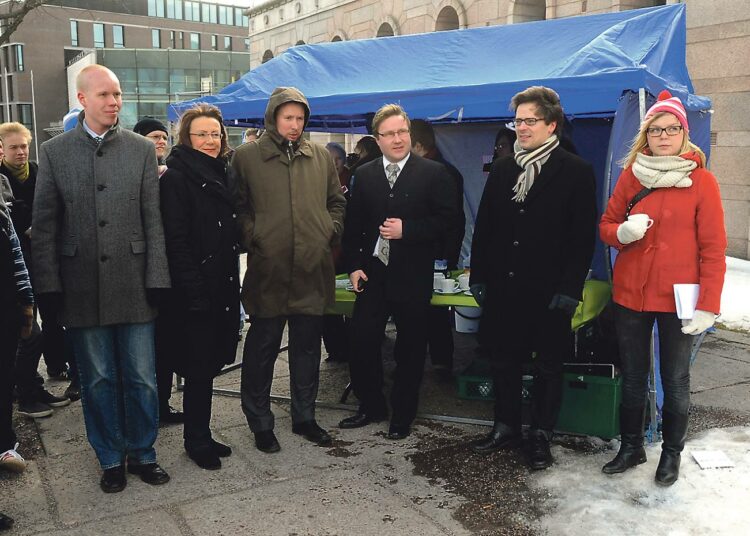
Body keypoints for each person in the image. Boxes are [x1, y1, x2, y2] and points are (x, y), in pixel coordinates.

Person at [31, 64, 172, 493]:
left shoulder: (141, 150)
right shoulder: (55, 152)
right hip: (80, 287)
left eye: (118, 94)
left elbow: (153, 220)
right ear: (82, 100)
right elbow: (45, 224)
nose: (114, 102)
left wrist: (157, 277)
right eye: (105, 95)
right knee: (97, 380)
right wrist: (49, 288)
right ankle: (110, 457)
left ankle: (143, 452)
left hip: (134, 283)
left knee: (142, 377)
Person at [599, 90, 726, 486]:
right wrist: (621, 232)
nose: (664, 135)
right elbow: (606, 225)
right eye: (656, 130)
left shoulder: (703, 182)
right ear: (646, 136)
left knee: (675, 380)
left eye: (672, 128)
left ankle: (671, 453)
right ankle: (632, 446)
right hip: (631, 295)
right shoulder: (630, 176)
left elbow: (714, 249)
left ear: (684, 134)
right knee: (634, 376)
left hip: (679, 300)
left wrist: (708, 304)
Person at [469, 86, 597, 469]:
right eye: (518, 121)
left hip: (548, 290)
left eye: (529, 121)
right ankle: (505, 425)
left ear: (551, 125)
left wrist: (570, 289)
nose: (521, 128)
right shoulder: (505, 167)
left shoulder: (575, 170)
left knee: (547, 366)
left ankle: (541, 434)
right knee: (504, 360)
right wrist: (479, 274)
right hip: (504, 286)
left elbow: (581, 236)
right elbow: (486, 226)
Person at [232, 87, 346, 453]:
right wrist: (255, 237)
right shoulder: (247, 158)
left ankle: (304, 416)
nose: (294, 125)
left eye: (299, 118)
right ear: (273, 118)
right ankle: (260, 422)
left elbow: (337, 201)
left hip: (312, 267)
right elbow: (238, 207)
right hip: (270, 269)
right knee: (262, 348)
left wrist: (329, 230)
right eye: (287, 118)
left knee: (307, 348)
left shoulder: (319, 157)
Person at [339, 104, 459, 439]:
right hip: (373, 275)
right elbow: (354, 227)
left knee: (410, 348)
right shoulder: (364, 175)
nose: (397, 139)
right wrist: (354, 266)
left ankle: (403, 414)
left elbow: (448, 222)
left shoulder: (434, 173)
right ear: (377, 139)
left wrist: (410, 230)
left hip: (412, 274)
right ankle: (371, 405)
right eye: (389, 134)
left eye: (402, 132)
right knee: (362, 341)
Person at [159, 104, 239, 470]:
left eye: (215, 134)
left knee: (207, 366)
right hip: (195, 290)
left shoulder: (219, 171)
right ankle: (196, 441)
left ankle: (201, 433)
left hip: (219, 284)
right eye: (202, 134)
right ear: (186, 138)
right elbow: (175, 241)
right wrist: (194, 292)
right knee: (196, 366)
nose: (210, 140)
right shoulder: (177, 178)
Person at [0, 123, 71, 418]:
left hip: (42, 259)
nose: (20, 152)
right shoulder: (2, 180)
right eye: (14, 147)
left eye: (24, 146)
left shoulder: (38, 173)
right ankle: (25, 392)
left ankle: (37, 382)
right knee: (28, 332)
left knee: (50, 323)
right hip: (14, 266)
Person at [133, 116, 183, 425]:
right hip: (138, 275)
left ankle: (162, 405)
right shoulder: (133, 175)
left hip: (169, 274)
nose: (161, 141)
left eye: (164, 137)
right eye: (154, 136)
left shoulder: (172, 175)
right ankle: (144, 409)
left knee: (165, 347)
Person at [409, 119, 466, 380]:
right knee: (421, 311)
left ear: (419, 145)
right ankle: (425, 360)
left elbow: (452, 222)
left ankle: (441, 362)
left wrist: (445, 259)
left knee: (435, 311)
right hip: (424, 254)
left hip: (436, 256)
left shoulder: (442, 173)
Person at [0, 177, 33, 533]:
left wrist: (27, 304)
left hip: (4, 312)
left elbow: (15, 256)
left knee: (2, 384)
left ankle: (3, 444)